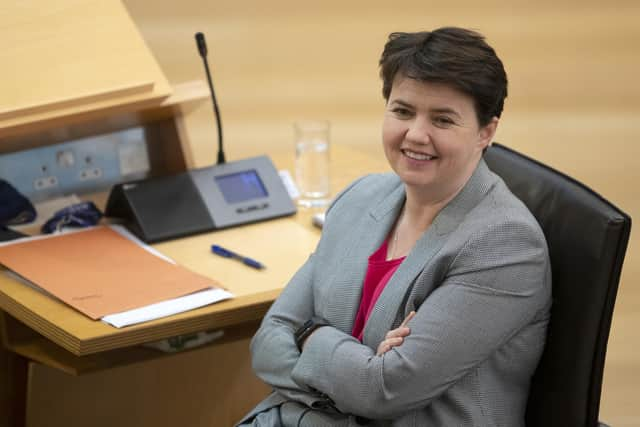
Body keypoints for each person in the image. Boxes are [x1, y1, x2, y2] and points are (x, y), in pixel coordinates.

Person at [237, 27, 551, 427]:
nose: (416, 135)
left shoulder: (505, 245)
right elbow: (268, 341)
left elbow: (381, 391)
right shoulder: (360, 198)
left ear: (486, 132)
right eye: (402, 111)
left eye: (442, 119)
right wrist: (357, 371)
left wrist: (311, 334)